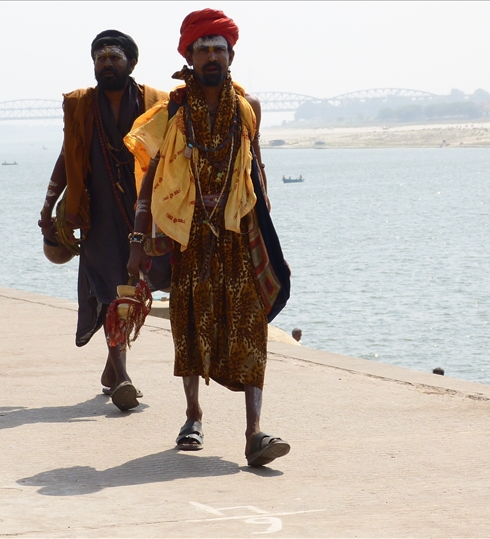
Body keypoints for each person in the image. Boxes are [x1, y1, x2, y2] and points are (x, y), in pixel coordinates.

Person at [125, 9, 290, 467]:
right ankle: (193, 415)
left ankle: (254, 433)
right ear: (190, 57)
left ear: (231, 55)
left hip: (241, 232)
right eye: (204, 49)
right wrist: (138, 239)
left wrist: (267, 221)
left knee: (250, 324)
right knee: (190, 324)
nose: (212, 56)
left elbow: (255, 166)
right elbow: (151, 177)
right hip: (190, 235)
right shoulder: (173, 111)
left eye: (219, 49)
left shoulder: (247, 107)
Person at [37, 30, 167, 411]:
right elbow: (67, 158)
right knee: (112, 293)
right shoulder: (82, 106)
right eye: (100, 58)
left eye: (114, 57)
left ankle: (112, 371)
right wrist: (49, 206)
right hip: (98, 216)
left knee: (139, 286)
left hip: (146, 213)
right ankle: (122, 376)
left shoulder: (156, 103)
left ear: (131, 63)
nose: (106, 64)